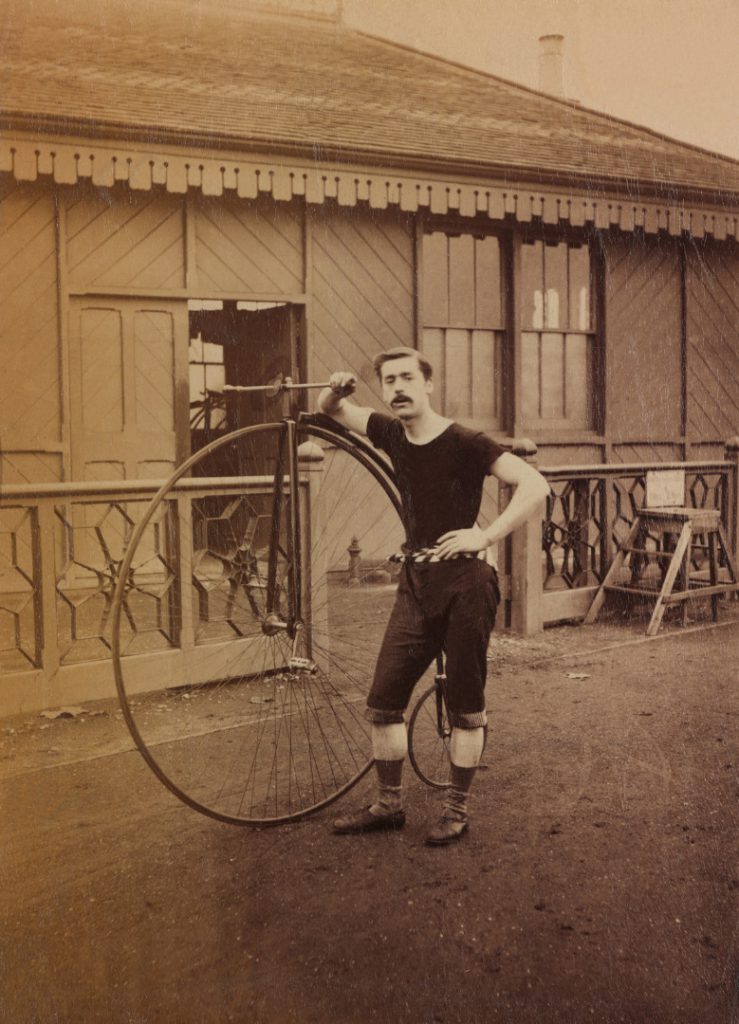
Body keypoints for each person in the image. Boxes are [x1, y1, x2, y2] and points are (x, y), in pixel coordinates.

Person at [316, 347, 550, 846]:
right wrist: (337, 389)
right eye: (388, 380)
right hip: (417, 584)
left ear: (427, 384)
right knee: (383, 700)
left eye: (407, 378)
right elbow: (330, 411)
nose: (397, 388)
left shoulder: (465, 441)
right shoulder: (390, 431)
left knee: (466, 702)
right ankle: (388, 804)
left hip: (467, 584)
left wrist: (484, 537)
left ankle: (456, 809)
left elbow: (534, 484)